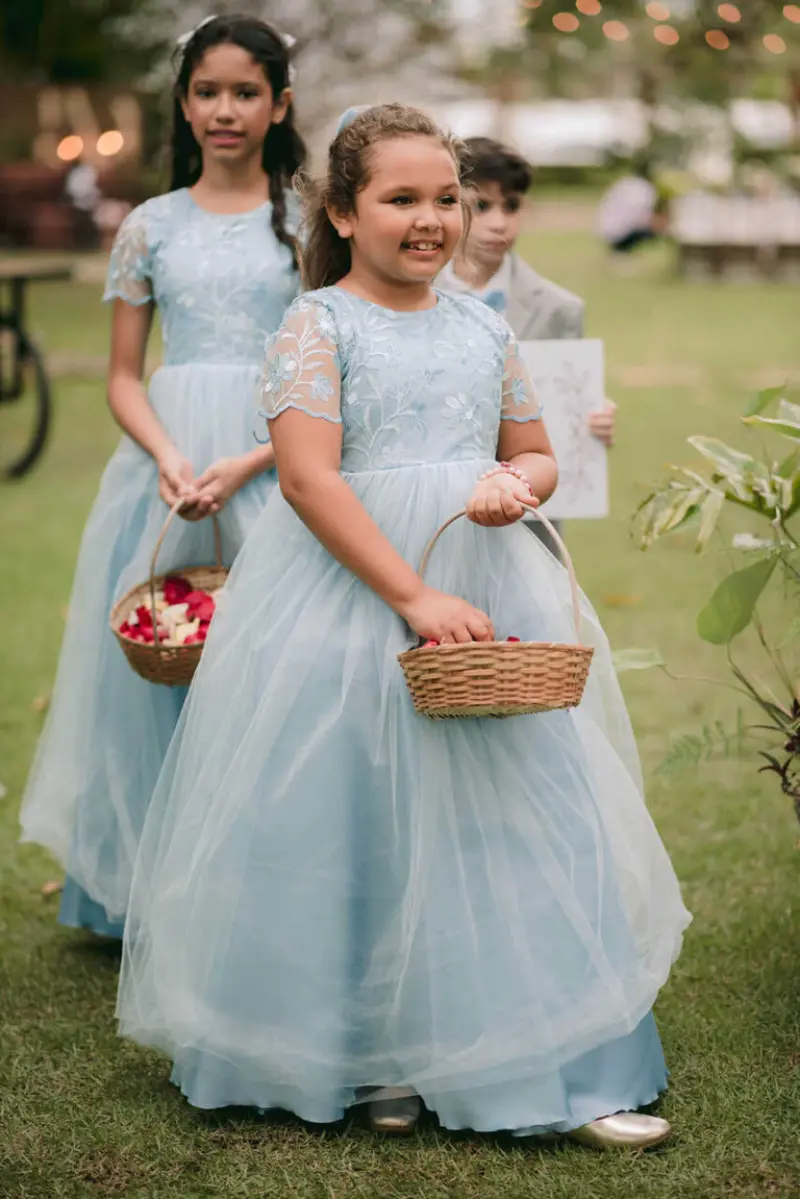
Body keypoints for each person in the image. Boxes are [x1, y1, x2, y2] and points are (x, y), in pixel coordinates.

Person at [117, 104, 690, 1149]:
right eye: (401, 199)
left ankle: (548, 1056)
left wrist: (520, 482)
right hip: (349, 596)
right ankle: (371, 1054)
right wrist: (409, 595)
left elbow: (537, 449)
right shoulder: (316, 324)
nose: (431, 220)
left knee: (511, 809)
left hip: (483, 588)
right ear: (342, 209)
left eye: (446, 200)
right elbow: (304, 476)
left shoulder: (482, 322)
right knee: (351, 814)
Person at [19, 14, 306, 939]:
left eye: (246, 92)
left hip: (278, 458)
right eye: (208, 92)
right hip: (166, 466)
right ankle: (153, 889)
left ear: (278, 103)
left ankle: (258, 881)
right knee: (161, 663)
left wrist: (257, 455)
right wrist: (168, 452)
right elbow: (120, 374)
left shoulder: (305, 221)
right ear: (184, 104)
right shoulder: (149, 226)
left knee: (271, 666)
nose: (226, 110)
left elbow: (328, 364)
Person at [437, 136, 615, 554]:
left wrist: (589, 416)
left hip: (526, 508)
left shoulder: (558, 308)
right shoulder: (413, 294)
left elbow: (559, 393)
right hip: (440, 500)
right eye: (482, 206)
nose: (499, 222)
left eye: (511, 206)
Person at [597, 158, 662, 257]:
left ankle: (621, 249)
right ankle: (624, 249)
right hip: (622, 232)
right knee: (659, 228)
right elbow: (641, 217)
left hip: (605, 229)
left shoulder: (625, 182)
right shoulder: (646, 188)